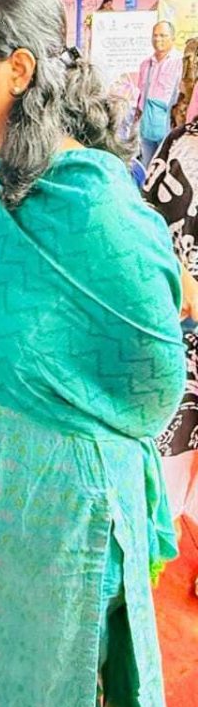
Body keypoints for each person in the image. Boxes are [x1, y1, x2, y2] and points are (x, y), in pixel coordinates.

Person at [0, 0, 184, 707]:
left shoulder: (99, 208)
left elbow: (154, 379)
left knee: (47, 680)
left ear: (19, 69)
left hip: (56, 511)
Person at [142, 124, 198, 573]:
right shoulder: (183, 145)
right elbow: (143, 226)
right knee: (165, 459)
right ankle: (152, 554)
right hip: (177, 333)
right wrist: (179, 276)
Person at [134, 20, 182, 168]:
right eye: (155, 35)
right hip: (147, 125)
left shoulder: (180, 63)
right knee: (146, 168)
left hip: (168, 125)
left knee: (165, 168)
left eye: (162, 35)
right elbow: (140, 95)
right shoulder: (145, 64)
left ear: (172, 38)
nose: (157, 39)